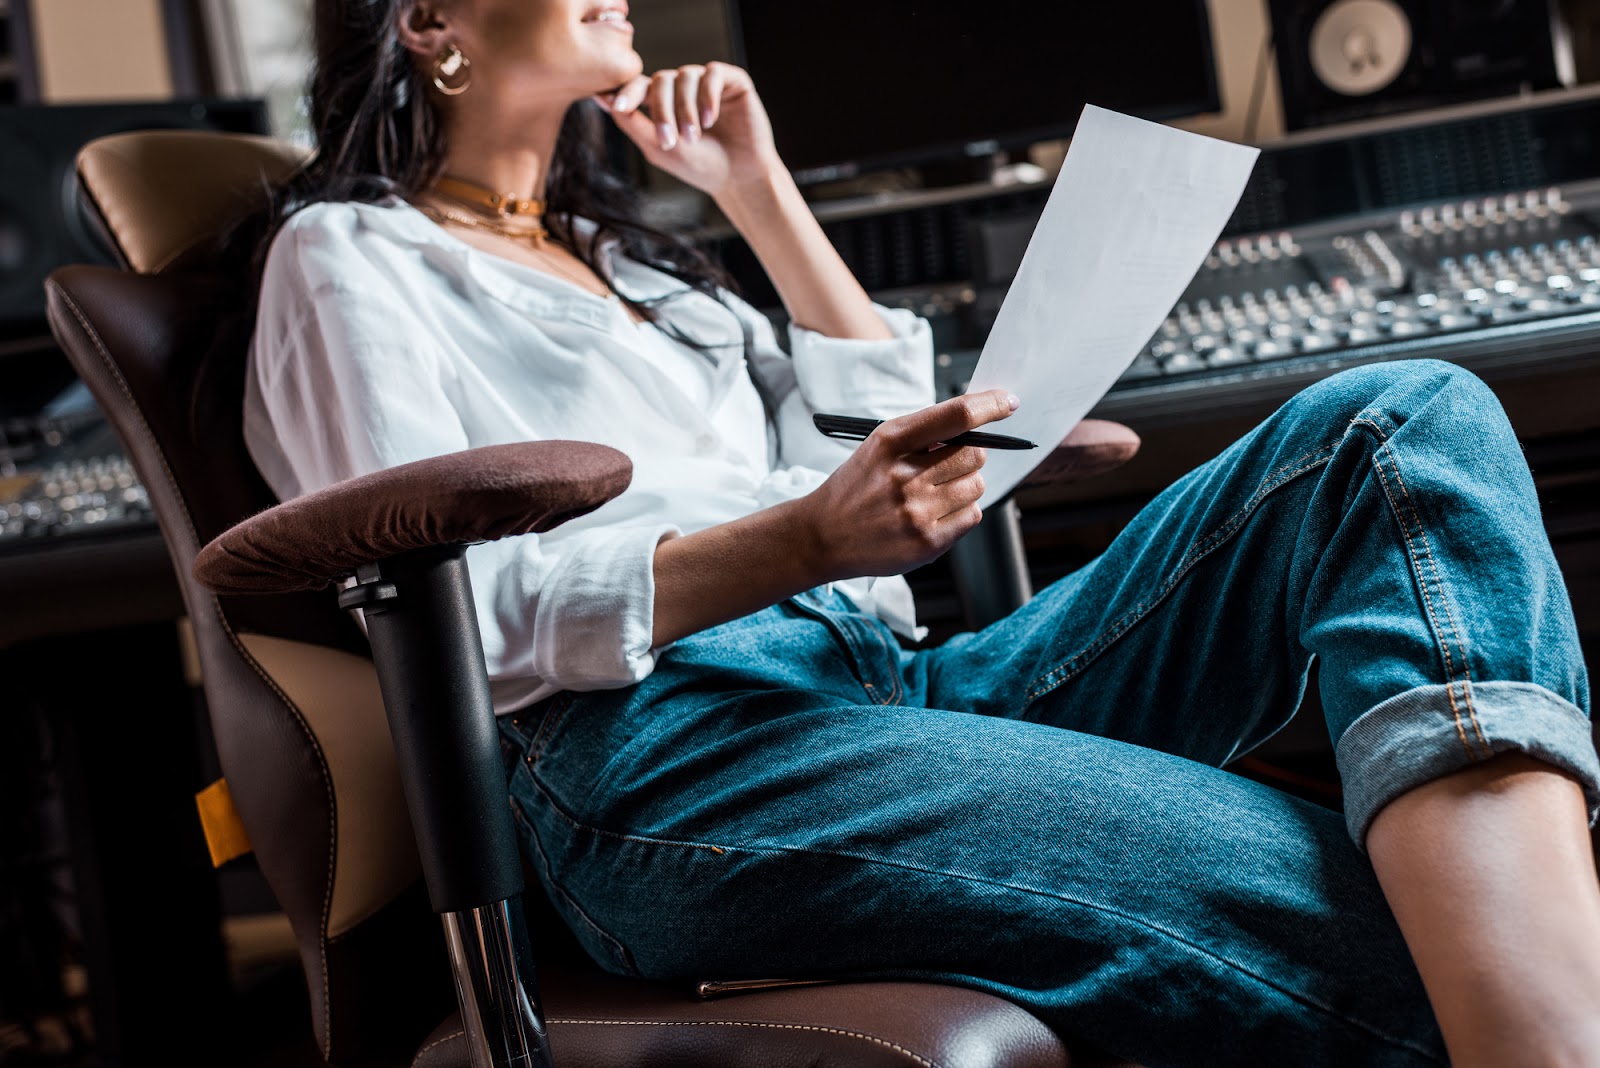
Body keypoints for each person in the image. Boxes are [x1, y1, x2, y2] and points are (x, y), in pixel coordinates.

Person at [237, 1, 1600, 1065]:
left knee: (1399, 422)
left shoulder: (639, 265)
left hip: (888, 686)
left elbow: (880, 439)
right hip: (667, 765)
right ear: (428, 24)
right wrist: (799, 546)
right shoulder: (350, 258)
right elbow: (448, 600)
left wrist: (757, 191)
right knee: (1411, 946)